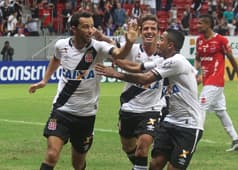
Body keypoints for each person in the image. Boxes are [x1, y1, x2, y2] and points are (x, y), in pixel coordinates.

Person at [28, 12, 138, 170]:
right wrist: (45, 80)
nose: (90, 30)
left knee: (78, 163)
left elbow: (119, 54)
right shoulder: (61, 45)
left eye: (92, 26)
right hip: (61, 110)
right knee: (52, 154)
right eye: (85, 26)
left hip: (86, 115)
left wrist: (128, 43)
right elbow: (56, 59)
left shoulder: (98, 47)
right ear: (74, 29)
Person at [96, 28, 204, 170]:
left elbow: (145, 78)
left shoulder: (176, 62)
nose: (157, 43)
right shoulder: (163, 61)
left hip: (189, 125)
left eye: (161, 40)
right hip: (169, 121)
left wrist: (117, 74)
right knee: (155, 164)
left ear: (170, 45)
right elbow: (138, 67)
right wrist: (116, 58)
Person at [101, 14, 164, 170]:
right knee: (129, 148)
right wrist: (98, 35)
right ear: (141, 31)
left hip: (152, 110)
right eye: (146, 28)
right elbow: (113, 48)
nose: (150, 32)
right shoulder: (132, 49)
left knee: (142, 148)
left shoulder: (165, 54)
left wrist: (116, 71)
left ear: (158, 32)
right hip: (129, 107)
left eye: (153, 29)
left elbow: (143, 74)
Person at [194, 14, 238, 152]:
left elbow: (232, 59)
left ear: (208, 25)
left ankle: (192, 140)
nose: (197, 26)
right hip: (207, 81)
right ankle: (236, 140)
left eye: (200, 23)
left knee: (200, 108)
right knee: (221, 112)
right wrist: (195, 72)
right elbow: (198, 58)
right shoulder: (199, 40)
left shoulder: (221, 40)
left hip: (215, 81)